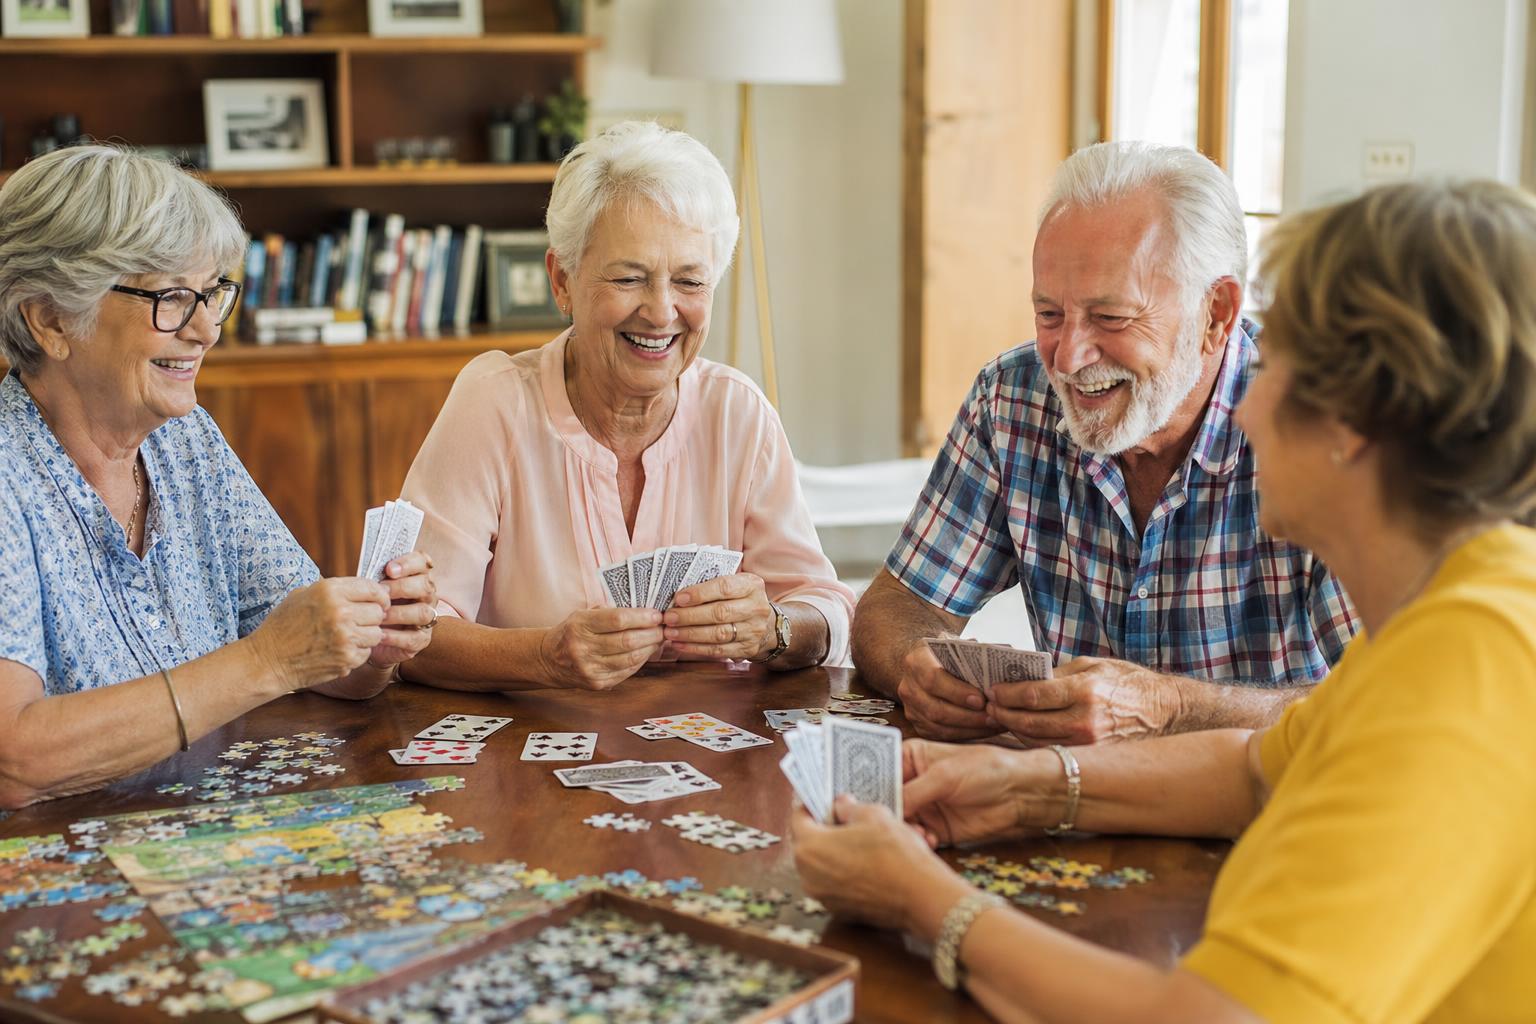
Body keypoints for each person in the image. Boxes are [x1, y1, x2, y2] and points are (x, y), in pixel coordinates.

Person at [792, 179, 1536, 1022]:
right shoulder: (1457, 612)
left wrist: (924, 900)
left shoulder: (1477, 659)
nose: (1249, 404)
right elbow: (1251, 774)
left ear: (1359, 420)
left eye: (1280, 364)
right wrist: (1024, 784)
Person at [854, 141, 1356, 746]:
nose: (1068, 358)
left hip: (1266, 818)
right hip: (1073, 803)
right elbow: (896, 605)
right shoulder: (1012, 397)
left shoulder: (1321, 426)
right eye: (1049, 315)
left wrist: (1172, 707)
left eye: (1111, 318)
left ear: (1216, 314)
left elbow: (1394, 702)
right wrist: (918, 664)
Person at [0, 146, 437, 810]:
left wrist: (371, 641)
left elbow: (308, 652)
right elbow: (15, 759)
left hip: (203, 838)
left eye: (212, 294)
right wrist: (265, 662)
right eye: (172, 298)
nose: (206, 329)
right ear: (51, 317)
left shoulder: (186, 438)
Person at [399, 121, 853, 692]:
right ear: (561, 280)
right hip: (527, 760)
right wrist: (544, 656)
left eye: (689, 281)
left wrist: (775, 629)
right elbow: (411, 634)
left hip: (713, 766)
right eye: (629, 277)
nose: (662, 313)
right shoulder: (493, 402)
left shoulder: (738, 412)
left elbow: (827, 608)